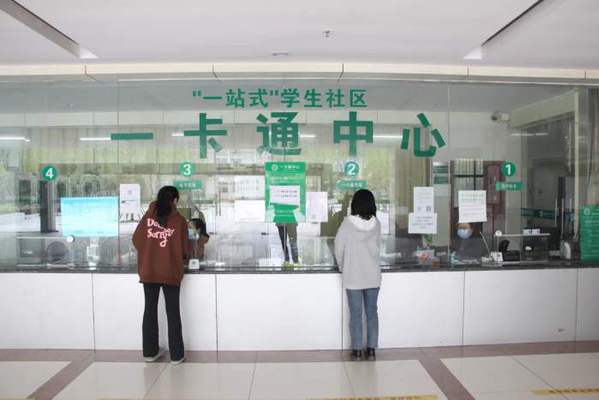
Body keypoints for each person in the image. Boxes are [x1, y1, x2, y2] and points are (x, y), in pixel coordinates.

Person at [132, 186, 189, 365]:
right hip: (171, 271)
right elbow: (186, 249)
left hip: (149, 271)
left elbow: (136, 240)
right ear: (175, 200)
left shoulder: (148, 218)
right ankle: (176, 355)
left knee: (150, 310)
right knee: (173, 312)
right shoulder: (179, 221)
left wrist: (151, 252)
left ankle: (150, 353)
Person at [334, 189, 381, 361]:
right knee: (372, 313)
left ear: (354, 204)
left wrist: (342, 266)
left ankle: (357, 351)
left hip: (353, 275)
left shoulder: (347, 224)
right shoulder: (377, 224)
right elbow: (378, 247)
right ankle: (371, 349)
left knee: (355, 314)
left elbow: (338, 247)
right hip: (373, 275)